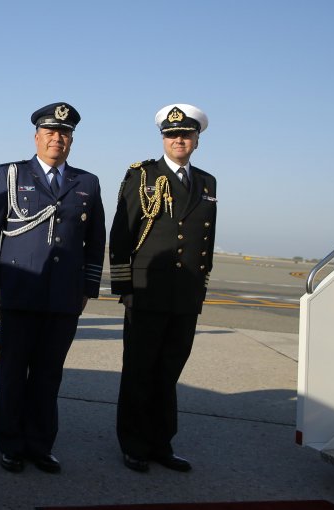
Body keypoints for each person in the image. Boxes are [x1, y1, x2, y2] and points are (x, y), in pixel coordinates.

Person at [0, 102, 105, 474]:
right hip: (19, 290)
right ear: (37, 137)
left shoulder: (87, 182)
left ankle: (40, 444)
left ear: (71, 141)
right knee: (13, 372)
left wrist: (87, 290)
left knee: (49, 375)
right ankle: (10, 443)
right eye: (50, 132)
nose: (57, 139)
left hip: (64, 297)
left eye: (64, 134)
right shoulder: (12, 174)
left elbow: (96, 241)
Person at [109, 103, 216, 474]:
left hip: (185, 296)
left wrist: (199, 291)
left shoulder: (207, 182)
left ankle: (161, 443)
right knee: (140, 370)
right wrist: (125, 286)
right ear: (163, 139)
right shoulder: (142, 176)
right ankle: (134, 444)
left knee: (169, 371)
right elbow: (122, 232)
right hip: (147, 290)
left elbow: (207, 242)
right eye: (172, 135)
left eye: (186, 134)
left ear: (197, 140)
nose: (178, 140)